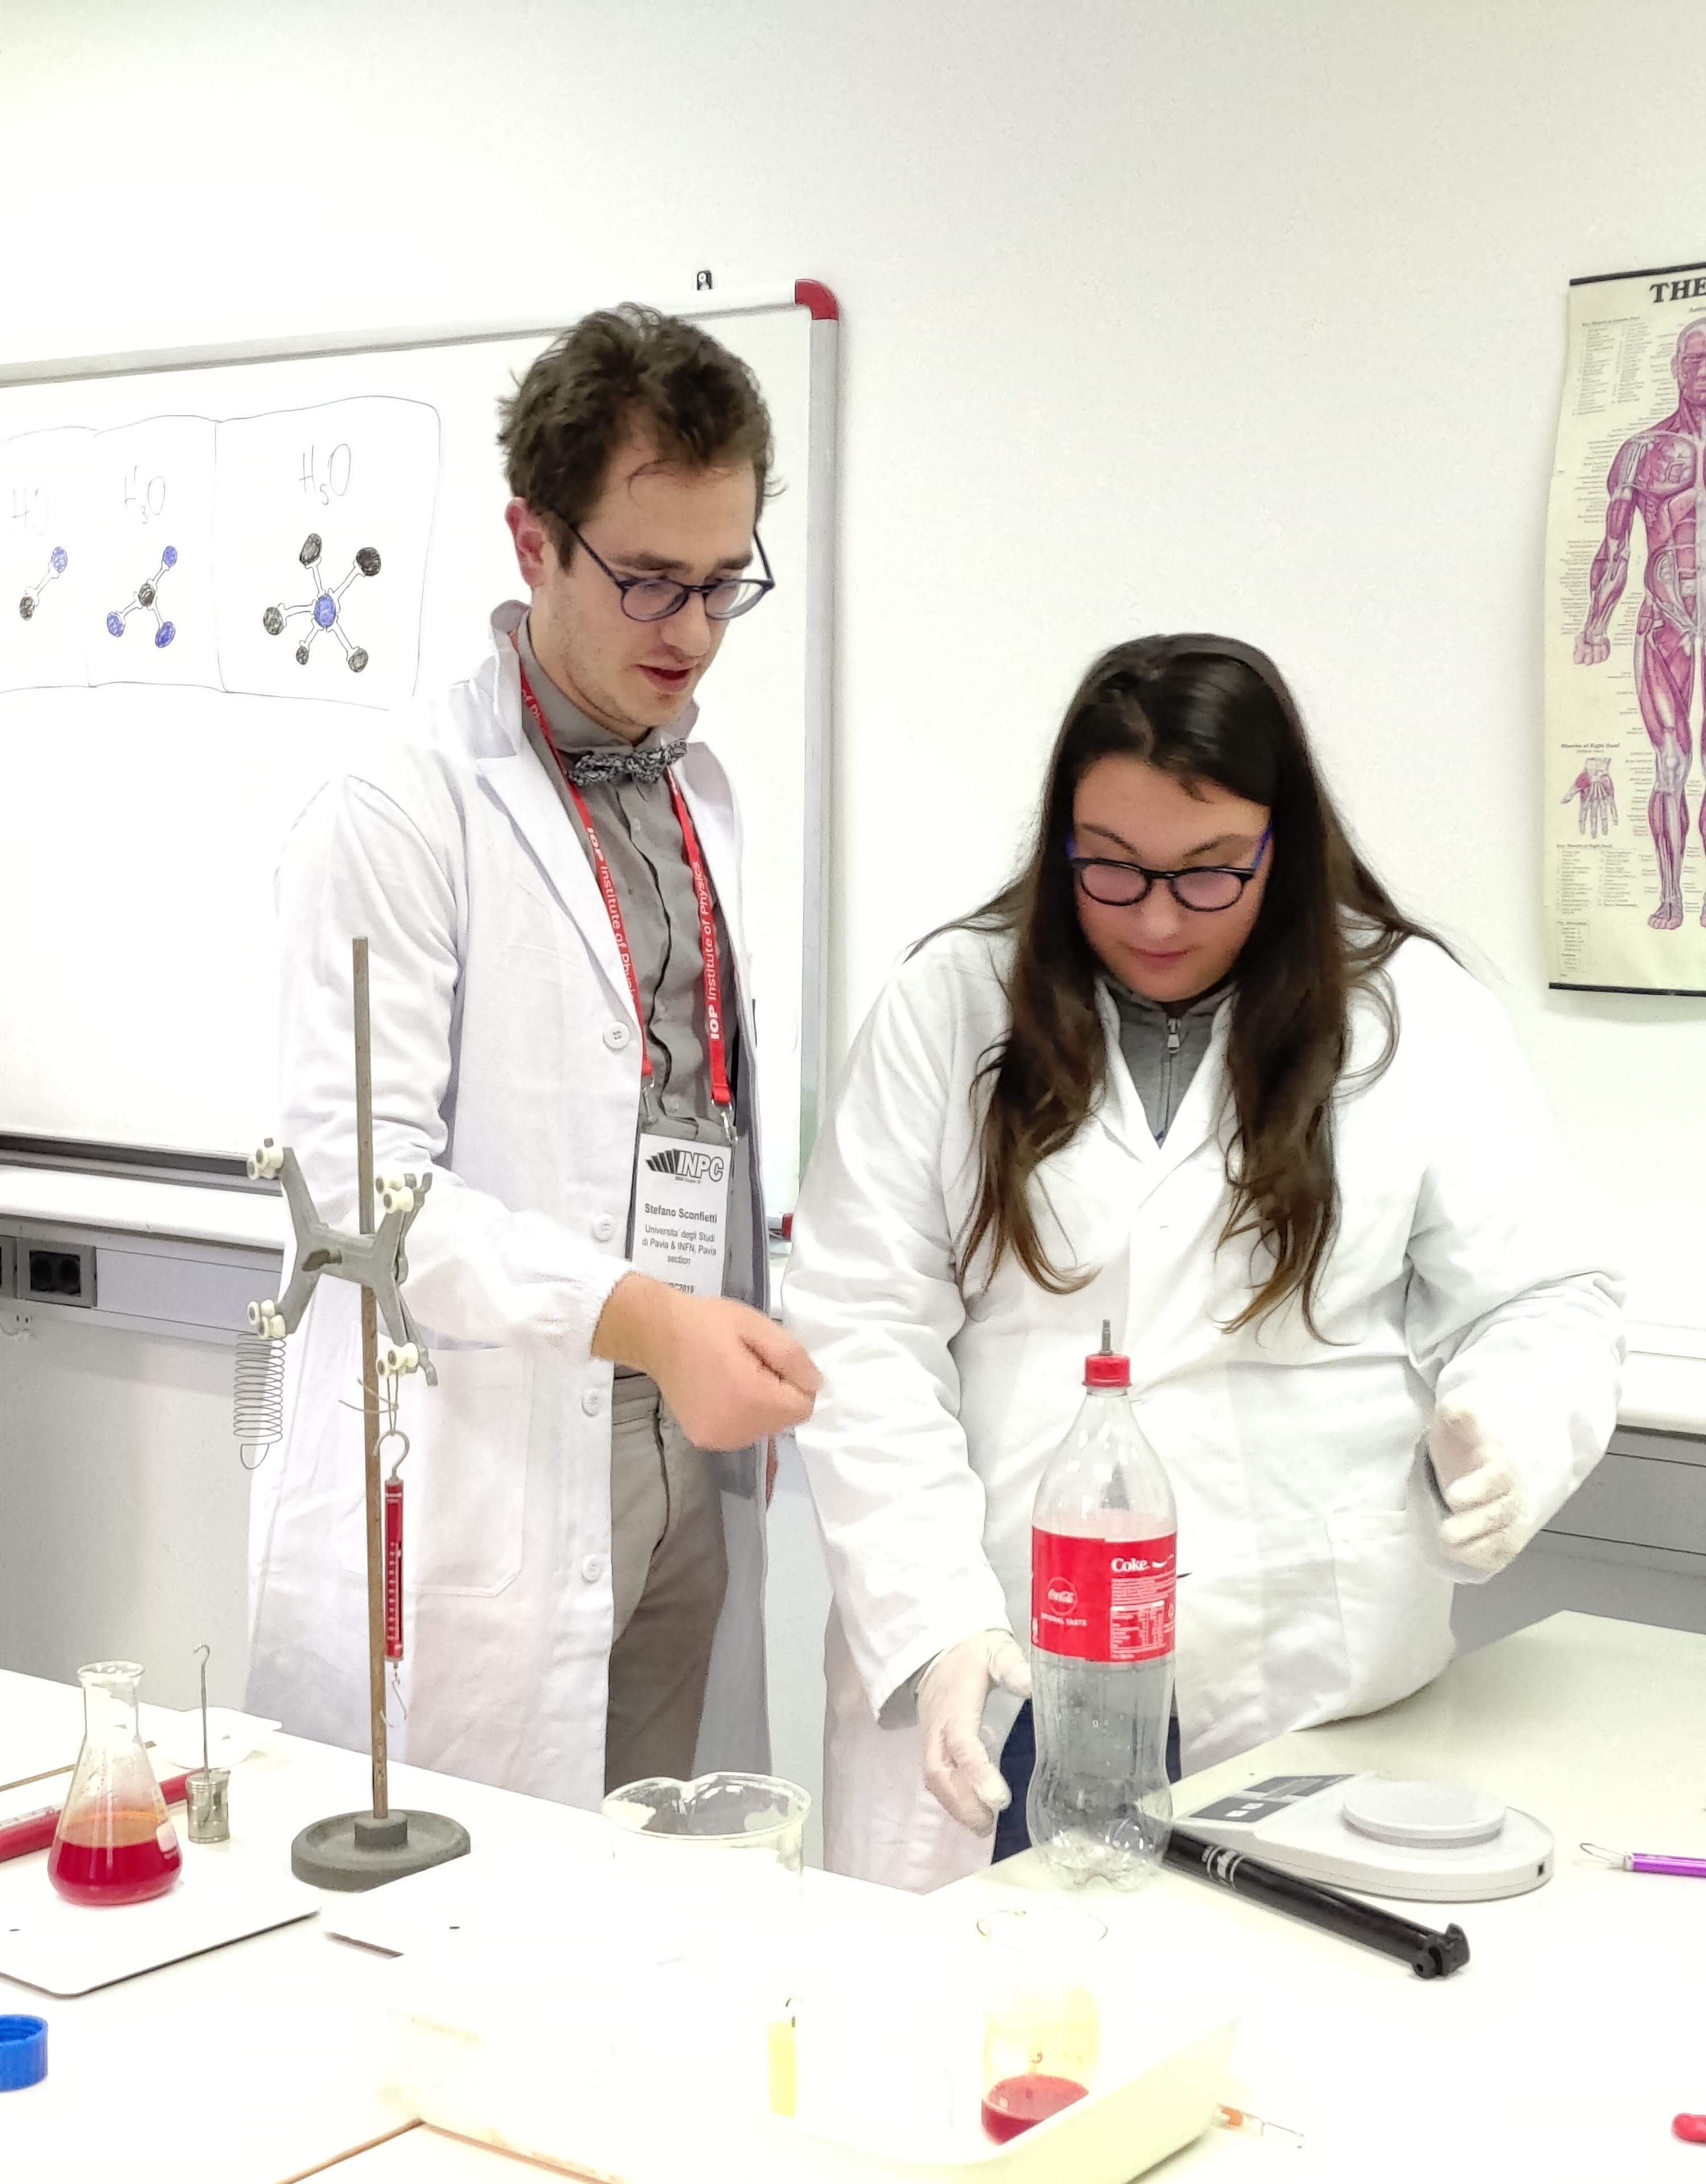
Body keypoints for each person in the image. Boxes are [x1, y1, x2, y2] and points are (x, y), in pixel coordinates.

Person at [784, 635, 1624, 1892]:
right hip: (1006, 1654)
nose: (1159, 917)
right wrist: (934, 1616)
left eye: (1210, 871)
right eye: (1111, 867)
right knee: (1001, 1996)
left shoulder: (1412, 1012)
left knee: (1270, 2001)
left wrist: (1512, 1431)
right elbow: (860, 1330)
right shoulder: (950, 1004)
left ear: (1283, 845)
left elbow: (1546, 1294)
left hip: (1303, 1677)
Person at [247, 305, 819, 1806]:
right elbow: (361, 1197)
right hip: (492, 1446)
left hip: (683, 1439)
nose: (691, 632)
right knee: (467, 1904)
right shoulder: (400, 808)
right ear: (532, 541)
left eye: (723, 583)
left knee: (661, 1878)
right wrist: (644, 1319)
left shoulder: (699, 791)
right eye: (648, 580)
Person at [1571, 317, 1706, 927]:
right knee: (1671, 765)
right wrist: (1595, 624)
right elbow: (1615, 544)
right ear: (1675, 367)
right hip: (1663, 625)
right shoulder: (1643, 451)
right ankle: (1672, 895)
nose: (1702, 372)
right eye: (1693, 360)